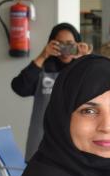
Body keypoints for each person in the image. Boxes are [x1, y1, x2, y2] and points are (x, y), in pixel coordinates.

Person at [11, 22, 91, 160]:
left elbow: (96, 92)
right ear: (51, 44)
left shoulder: (83, 70)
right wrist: (43, 56)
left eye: (69, 43)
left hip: (75, 143)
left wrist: (86, 60)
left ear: (78, 44)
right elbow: (20, 87)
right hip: (42, 143)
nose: (65, 48)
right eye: (60, 43)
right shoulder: (43, 69)